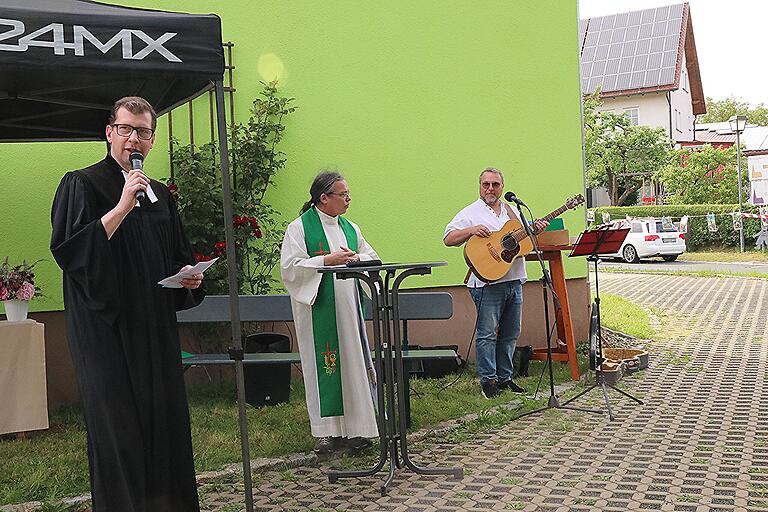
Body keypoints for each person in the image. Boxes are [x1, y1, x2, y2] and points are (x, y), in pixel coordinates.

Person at [50, 96, 204, 512]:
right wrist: (121, 205)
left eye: (144, 132)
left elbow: (176, 256)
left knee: (164, 426)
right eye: (127, 130)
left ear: (153, 140)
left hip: (153, 330)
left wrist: (189, 275)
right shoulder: (82, 184)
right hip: (106, 335)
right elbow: (72, 252)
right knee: (119, 433)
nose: (135, 139)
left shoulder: (160, 196)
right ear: (109, 133)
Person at [280, 171, 379, 454]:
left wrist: (357, 259)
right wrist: (326, 260)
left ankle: (357, 431)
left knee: (352, 367)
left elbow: (371, 257)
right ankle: (327, 433)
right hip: (319, 313)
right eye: (343, 194)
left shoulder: (351, 228)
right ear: (324, 198)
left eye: (348, 194)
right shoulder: (299, 229)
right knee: (324, 367)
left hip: (349, 312)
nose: (348, 199)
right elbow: (290, 268)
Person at [443, 167, 547, 399]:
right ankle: (488, 382)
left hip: (513, 280)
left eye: (495, 184)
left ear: (502, 186)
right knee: (487, 333)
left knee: (511, 333)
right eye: (486, 184)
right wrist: (470, 230)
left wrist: (535, 229)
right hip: (486, 283)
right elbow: (448, 238)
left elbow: (521, 242)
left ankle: (505, 377)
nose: (490, 188)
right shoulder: (470, 212)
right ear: (480, 186)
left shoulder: (512, 212)